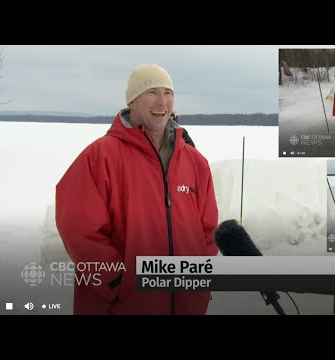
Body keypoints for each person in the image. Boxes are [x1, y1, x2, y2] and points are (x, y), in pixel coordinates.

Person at [55, 63, 219, 315]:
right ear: (132, 101)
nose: (162, 102)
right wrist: (117, 281)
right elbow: (78, 228)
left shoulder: (195, 162)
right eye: (152, 92)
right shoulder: (101, 156)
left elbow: (207, 231)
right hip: (123, 304)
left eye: (168, 93)